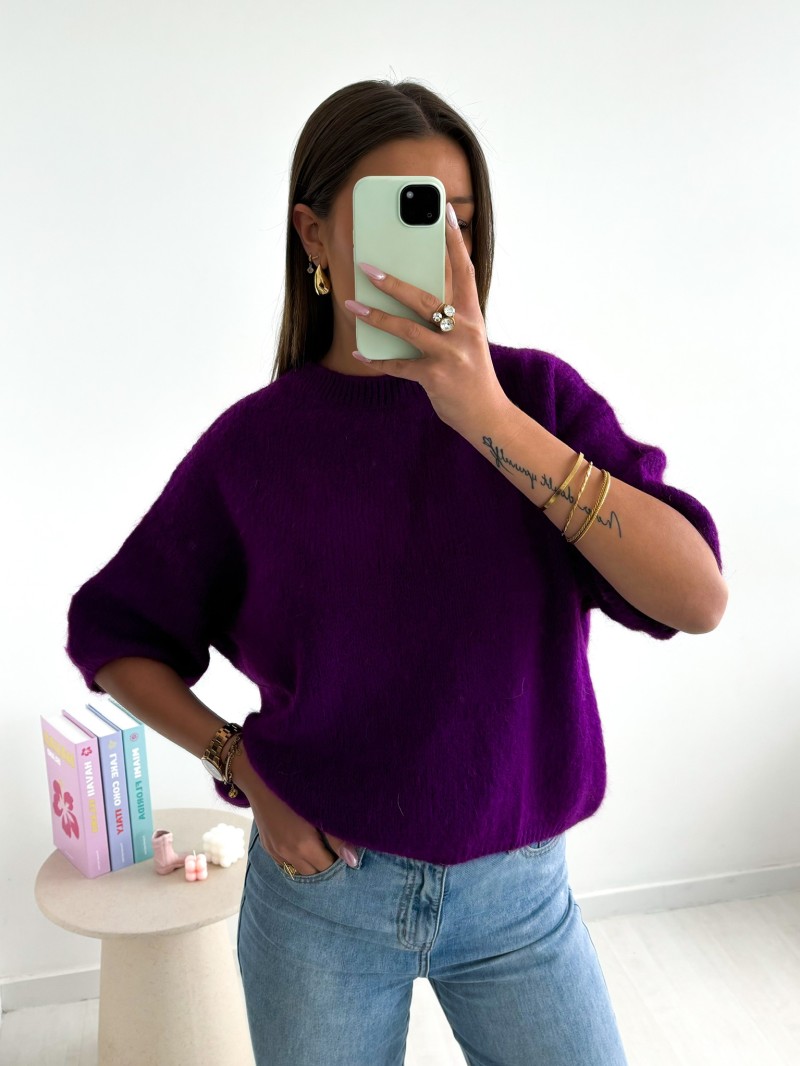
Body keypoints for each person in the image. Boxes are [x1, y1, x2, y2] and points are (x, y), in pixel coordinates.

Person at [65, 79, 727, 1065]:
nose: (440, 244)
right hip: (321, 901)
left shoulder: (536, 400)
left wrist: (488, 418)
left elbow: (696, 596)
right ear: (315, 235)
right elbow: (115, 632)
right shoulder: (256, 447)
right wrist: (238, 764)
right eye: (406, 214)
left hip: (520, 902)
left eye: (458, 216)